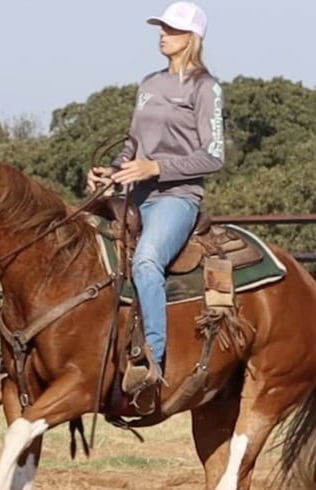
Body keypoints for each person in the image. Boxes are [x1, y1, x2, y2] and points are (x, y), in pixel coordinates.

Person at [86, 1, 226, 414]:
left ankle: (151, 360)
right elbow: (132, 147)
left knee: (146, 261)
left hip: (176, 198)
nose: (162, 34)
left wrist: (157, 166)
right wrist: (109, 174)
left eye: (171, 29)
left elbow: (214, 156)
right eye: (161, 28)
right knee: (73, 243)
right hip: (135, 195)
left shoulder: (206, 87)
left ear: (192, 38)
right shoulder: (149, 83)